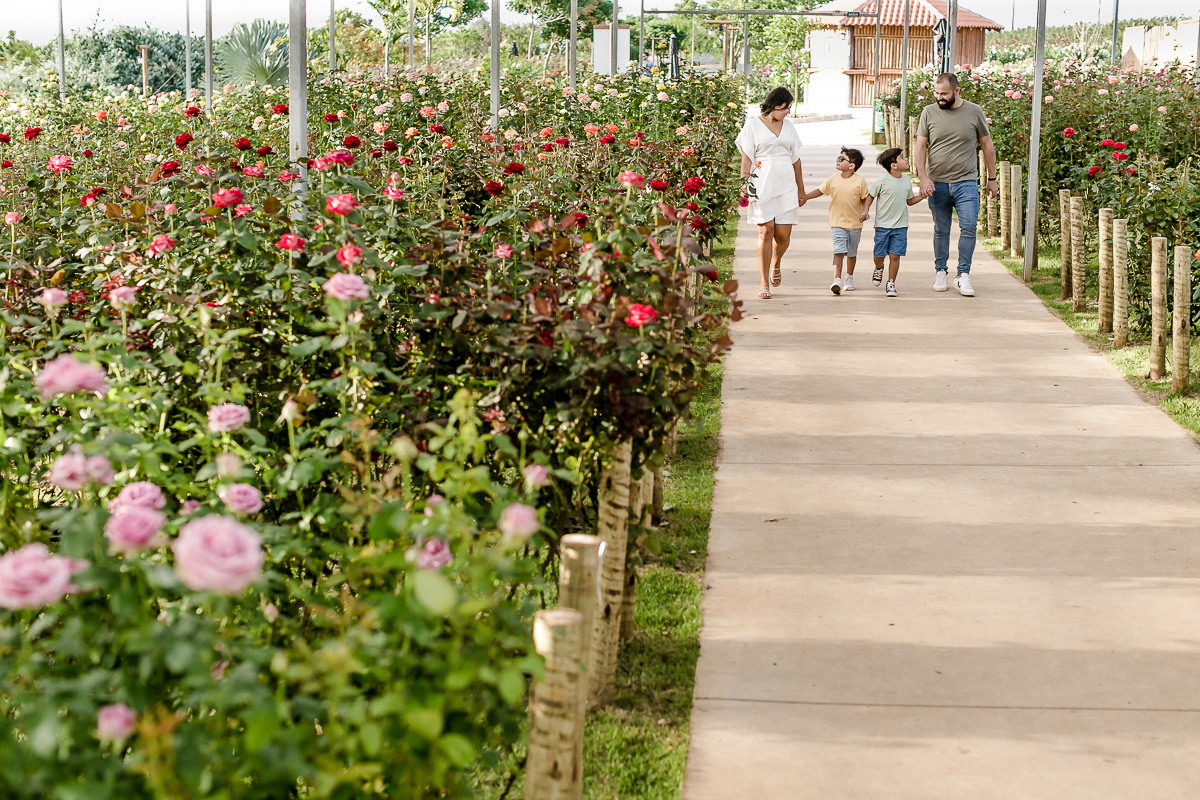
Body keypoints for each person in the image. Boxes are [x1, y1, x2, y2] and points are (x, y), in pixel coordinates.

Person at [914, 72, 999, 297]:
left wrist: (992, 178)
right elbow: (920, 147)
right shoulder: (928, 112)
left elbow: (987, 145)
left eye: (944, 94)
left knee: (969, 227)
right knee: (941, 229)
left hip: (966, 182)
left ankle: (963, 275)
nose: (939, 97)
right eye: (936, 93)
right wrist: (923, 177)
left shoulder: (974, 111)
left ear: (957, 91)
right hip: (938, 182)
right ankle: (941, 270)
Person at [736, 87, 807, 300]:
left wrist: (801, 190)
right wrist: (744, 185)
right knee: (765, 231)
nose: (788, 112)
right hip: (762, 183)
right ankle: (763, 282)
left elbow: (796, 160)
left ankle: (776, 261)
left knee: (783, 235)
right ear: (775, 105)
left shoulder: (789, 128)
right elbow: (747, 158)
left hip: (786, 184)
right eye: (786, 108)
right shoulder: (753, 125)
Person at [801, 147, 868, 295]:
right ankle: (836, 279)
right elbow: (820, 190)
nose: (837, 160)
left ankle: (849, 277)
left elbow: (865, 198)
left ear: (852, 166)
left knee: (851, 253)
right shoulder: (833, 178)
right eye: (838, 157)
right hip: (837, 223)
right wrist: (806, 197)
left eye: (841, 159)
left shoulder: (860, 181)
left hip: (855, 224)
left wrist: (865, 211)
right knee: (838, 251)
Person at [860, 148, 924, 297]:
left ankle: (891, 283)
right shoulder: (882, 181)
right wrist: (865, 211)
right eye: (902, 157)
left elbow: (909, 201)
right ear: (893, 165)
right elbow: (870, 196)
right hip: (883, 226)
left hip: (900, 226)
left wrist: (922, 196)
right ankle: (878, 267)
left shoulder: (906, 180)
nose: (906, 159)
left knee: (895, 255)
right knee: (879, 255)